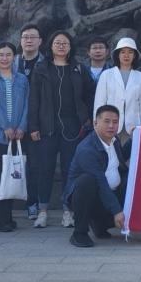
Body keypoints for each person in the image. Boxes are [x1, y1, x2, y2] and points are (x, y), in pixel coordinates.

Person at [28, 31, 93, 229]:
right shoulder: (41, 69)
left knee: (69, 170)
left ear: (70, 47)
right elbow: (34, 99)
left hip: (73, 127)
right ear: (51, 46)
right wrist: (33, 126)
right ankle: (42, 211)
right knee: (44, 169)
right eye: (57, 43)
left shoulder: (79, 69)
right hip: (47, 127)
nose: (61, 46)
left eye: (65, 43)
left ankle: (68, 211)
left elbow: (90, 95)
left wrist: (87, 119)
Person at [65, 105, 129, 248]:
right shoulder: (87, 149)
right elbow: (100, 182)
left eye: (115, 122)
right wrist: (117, 211)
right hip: (87, 197)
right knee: (87, 181)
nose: (111, 126)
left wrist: (135, 139)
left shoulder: (114, 140)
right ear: (95, 123)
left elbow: (119, 161)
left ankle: (100, 225)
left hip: (109, 193)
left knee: (130, 180)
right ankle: (79, 233)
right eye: (106, 121)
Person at [0, 42, 30, 232]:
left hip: (18, 135)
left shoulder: (22, 79)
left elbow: (27, 104)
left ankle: (8, 217)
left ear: (14, 57)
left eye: (8, 55)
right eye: (1, 55)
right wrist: (5, 126)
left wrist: (22, 127)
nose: (4, 58)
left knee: (13, 174)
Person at [14, 24, 46, 221]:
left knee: (35, 166)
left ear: (40, 41)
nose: (29, 40)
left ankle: (33, 203)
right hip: (13, 123)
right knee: (10, 163)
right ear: (20, 40)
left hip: (36, 124)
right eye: (25, 37)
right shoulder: (12, 62)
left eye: (33, 37)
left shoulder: (46, 64)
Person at [94, 38, 141, 140]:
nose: (126, 55)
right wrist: (97, 125)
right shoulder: (106, 75)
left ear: (135, 55)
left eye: (130, 52)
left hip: (133, 128)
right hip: (109, 126)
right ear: (118, 55)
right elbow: (99, 102)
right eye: (123, 52)